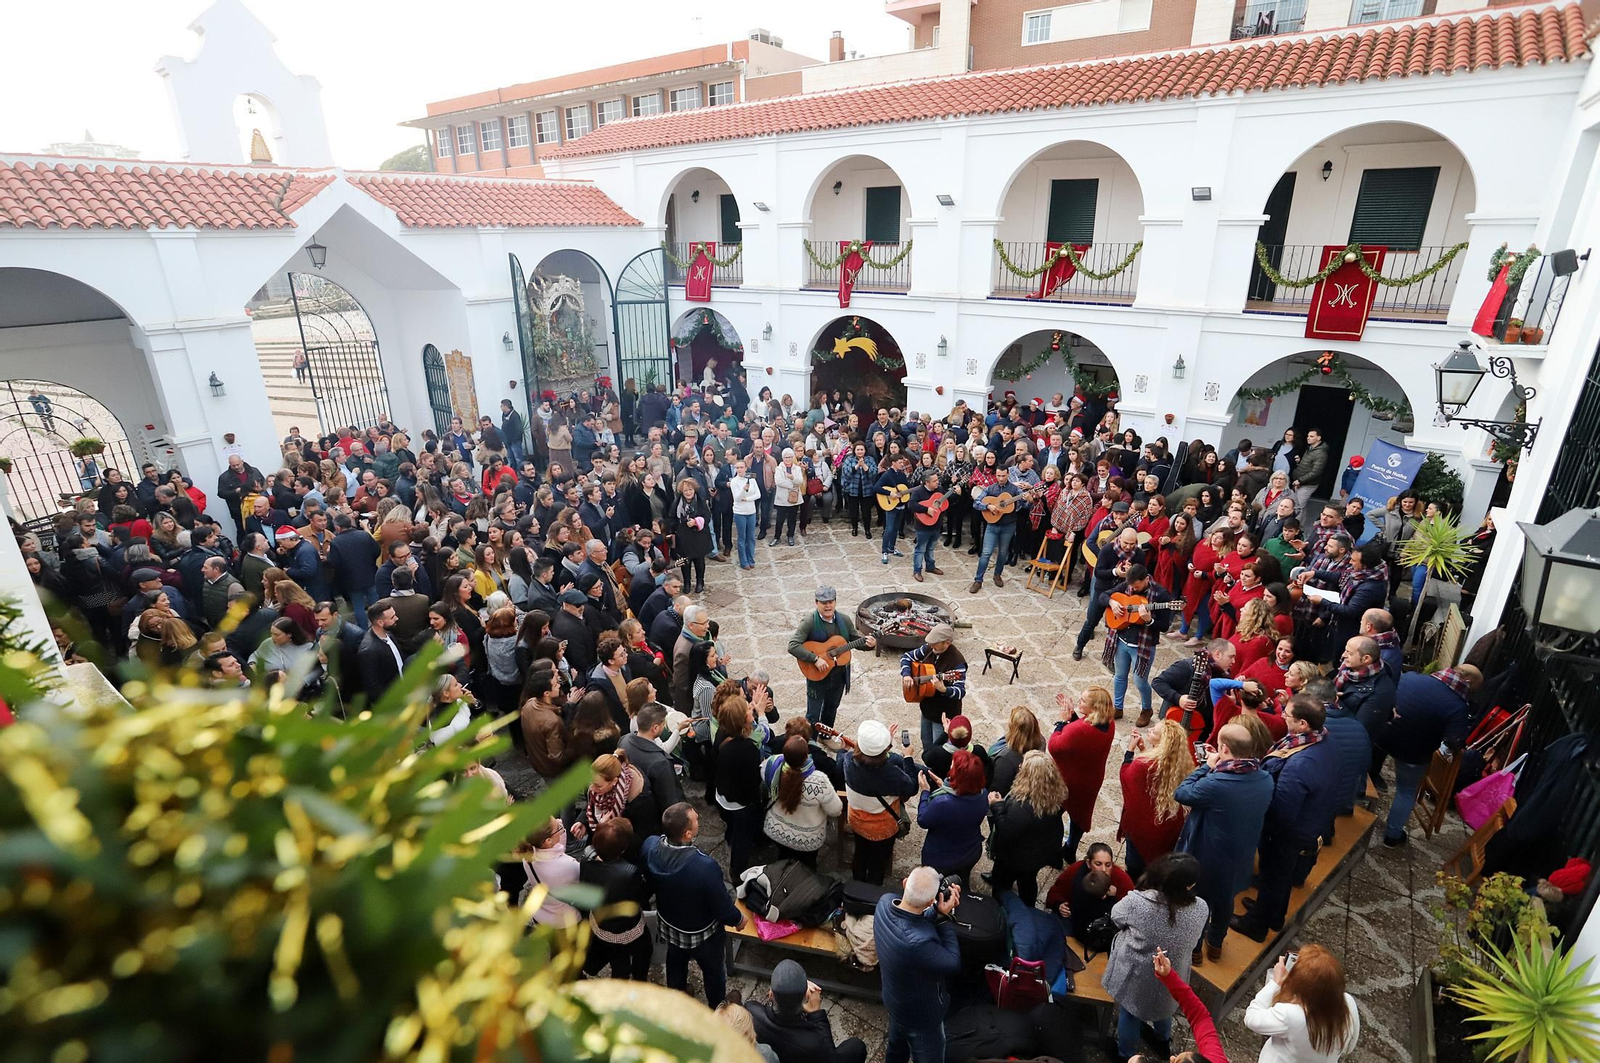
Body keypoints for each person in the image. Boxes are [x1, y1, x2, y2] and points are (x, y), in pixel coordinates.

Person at [1232, 695, 1339, 943]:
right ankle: (1273, 915)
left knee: (1273, 874)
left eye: (1287, 715)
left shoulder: (1299, 764)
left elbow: (1282, 810)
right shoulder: (1324, 739)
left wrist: (1263, 829)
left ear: (1303, 724)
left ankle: (1256, 925)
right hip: (1310, 821)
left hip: (1287, 832)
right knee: (1282, 876)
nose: (1282, 716)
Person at [1175, 723, 1273, 962]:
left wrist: (1206, 767)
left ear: (1224, 748)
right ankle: (1216, 944)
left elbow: (1182, 792)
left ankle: (1195, 950)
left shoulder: (1216, 784)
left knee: (1199, 905)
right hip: (1241, 857)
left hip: (1209, 859)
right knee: (1226, 902)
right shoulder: (1266, 779)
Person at [1102, 852, 1210, 1061]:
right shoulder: (1201, 908)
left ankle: (1125, 1054)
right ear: (1189, 885)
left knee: (1130, 1013)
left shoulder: (1138, 902)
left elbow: (1116, 916)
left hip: (1136, 974)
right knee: (1165, 1009)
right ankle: (1162, 1040)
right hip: (1173, 973)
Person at [643, 802, 745, 1007]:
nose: (699, 815)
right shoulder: (704, 868)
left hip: (670, 924)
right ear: (688, 834)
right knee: (714, 970)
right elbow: (721, 905)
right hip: (703, 934)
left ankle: (677, 993)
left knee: (676, 959)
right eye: (695, 818)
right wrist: (738, 919)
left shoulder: (649, 847)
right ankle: (718, 1006)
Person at [1379, 665, 1480, 847]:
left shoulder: (1412, 676)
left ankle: (1351, 804)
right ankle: (1392, 835)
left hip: (1381, 732)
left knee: (1363, 768)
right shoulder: (1458, 708)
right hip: (1412, 752)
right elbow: (1453, 742)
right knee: (1406, 790)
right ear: (1468, 684)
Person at [874, 865, 963, 1063]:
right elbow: (952, 963)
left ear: (905, 883)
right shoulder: (918, 944)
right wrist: (944, 918)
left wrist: (935, 912)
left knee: (896, 1049)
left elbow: (913, 918)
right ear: (931, 901)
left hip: (895, 1002)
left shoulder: (884, 902)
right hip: (920, 1017)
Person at [1245, 945, 1361, 1061]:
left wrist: (1275, 983)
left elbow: (1252, 1018)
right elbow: (1349, 1046)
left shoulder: (1290, 1015)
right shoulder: (1348, 1002)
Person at [840, 720, 919, 885]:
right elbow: (911, 787)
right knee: (878, 863)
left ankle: (857, 884)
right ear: (885, 750)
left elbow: (859, 757)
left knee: (860, 853)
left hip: (856, 820)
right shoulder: (890, 774)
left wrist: (883, 743)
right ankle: (872, 892)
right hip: (882, 829)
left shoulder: (847, 760)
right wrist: (909, 758)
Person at [984, 749, 1065, 905]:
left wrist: (997, 805)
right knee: (1028, 881)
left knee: (1001, 882)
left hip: (1017, 857)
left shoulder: (1023, 806)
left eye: (1023, 766)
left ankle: (1000, 908)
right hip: (1040, 853)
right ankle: (1028, 907)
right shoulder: (1055, 793)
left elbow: (1006, 831)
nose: (1019, 766)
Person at [748, 960, 869, 1063]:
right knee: (857, 1047)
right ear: (804, 998)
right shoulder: (814, 1043)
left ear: (770, 994)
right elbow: (830, 1058)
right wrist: (817, 1014)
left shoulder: (750, 1010)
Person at [787, 586, 875, 728]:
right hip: (817, 676)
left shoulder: (844, 620)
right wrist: (815, 659)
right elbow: (793, 645)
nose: (828, 605)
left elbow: (855, 641)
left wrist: (869, 644)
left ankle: (826, 735)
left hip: (838, 674)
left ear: (835, 602)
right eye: (824, 602)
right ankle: (810, 743)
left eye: (831, 601)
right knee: (813, 714)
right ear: (817, 603)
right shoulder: (809, 622)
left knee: (831, 708)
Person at [1096, 562, 1175, 720]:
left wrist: (1149, 620)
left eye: (1137, 586)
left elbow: (1164, 626)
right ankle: (1118, 708)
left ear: (1146, 579)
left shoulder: (1161, 595)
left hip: (1143, 646)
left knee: (1139, 681)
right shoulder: (1128, 585)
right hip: (1121, 641)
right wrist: (1112, 602)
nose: (1133, 589)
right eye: (1131, 586)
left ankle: (1147, 710)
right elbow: (1103, 596)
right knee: (1119, 676)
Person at [1118, 718, 1194, 880]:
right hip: (1169, 824)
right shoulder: (1179, 763)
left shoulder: (1141, 765)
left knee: (1135, 867)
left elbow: (1126, 777)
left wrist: (1130, 751)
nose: (1150, 728)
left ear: (1163, 741)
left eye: (1155, 731)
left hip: (1144, 828)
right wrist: (1145, 750)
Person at [1048, 685, 1116, 862]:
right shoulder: (1109, 722)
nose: (1079, 701)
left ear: (1094, 708)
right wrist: (1074, 717)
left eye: (1083, 700)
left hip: (1069, 780)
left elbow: (1055, 746)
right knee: (1080, 815)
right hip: (1091, 780)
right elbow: (1083, 739)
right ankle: (1071, 848)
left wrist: (1063, 722)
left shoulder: (1079, 730)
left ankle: (1053, 851)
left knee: (1054, 814)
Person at [762, 734, 843, 866]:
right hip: (807, 839)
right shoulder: (818, 780)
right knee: (807, 866)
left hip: (777, 830)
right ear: (807, 755)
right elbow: (835, 810)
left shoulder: (772, 765)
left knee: (783, 859)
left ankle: (781, 874)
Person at [915, 749, 988, 889]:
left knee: (936, 887)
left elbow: (923, 820)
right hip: (970, 851)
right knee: (962, 880)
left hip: (941, 857)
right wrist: (944, 787)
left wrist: (925, 792)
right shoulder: (983, 794)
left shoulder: (942, 803)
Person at [1045, 841, 1137, 945]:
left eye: (1108, 865)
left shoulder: (1121, 879)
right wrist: (1060, 905)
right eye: (1098, 864)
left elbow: (1131, 911)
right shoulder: (1076, 872)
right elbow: (1058, 891)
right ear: (1088, 863)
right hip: (1077, 926)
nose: (1103, 869)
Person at [900, 623, 967, 751]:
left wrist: (944, 689)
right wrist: (907, 675)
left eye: (935, 643)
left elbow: (960, 691)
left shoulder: (957, 663)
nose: (931, 645)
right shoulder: (929, 648)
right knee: (925, 741)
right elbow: (906, 657)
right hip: (927, 707)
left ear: (947, 643)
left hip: (943, 714)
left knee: (938, 748)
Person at [356, 599, 405, 700]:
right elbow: (372, 686)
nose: (397, 618)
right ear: (380, 622)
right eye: (392, 617)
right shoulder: (368, 650)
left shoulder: (389, 634)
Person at [907, 468, 945, 581]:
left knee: (931, 547)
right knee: (921, 549)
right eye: (934, 481)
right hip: (923, 526)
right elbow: (911, 505)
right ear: (927, 482)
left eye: (937, 480)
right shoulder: (918, 491)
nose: (937, 482)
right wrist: (926, 509)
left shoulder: (939, 489)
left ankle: (930, 566)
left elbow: (948, 500)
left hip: (936, 524)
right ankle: (917, 571)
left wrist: (956, 493)